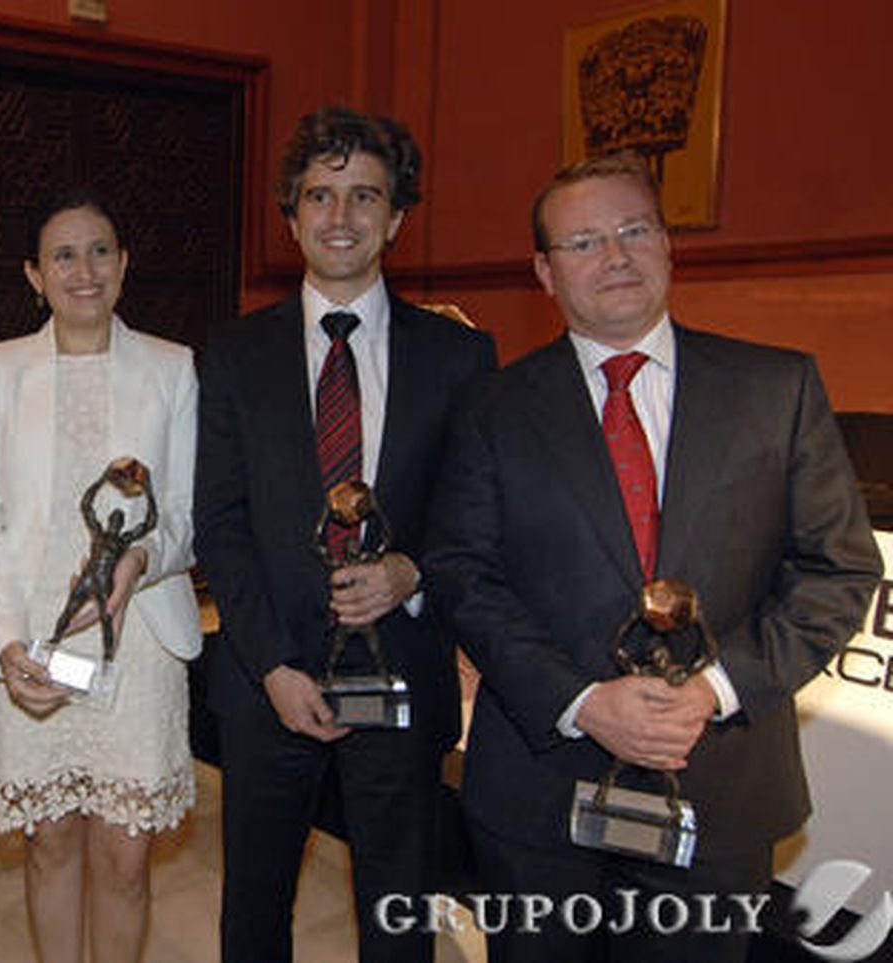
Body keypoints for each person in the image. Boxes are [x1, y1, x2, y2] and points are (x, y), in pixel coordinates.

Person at [422, 151, 881, 961]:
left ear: (669, 245)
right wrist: (582, 700)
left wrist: (713, 688)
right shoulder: (492, 406)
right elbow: (463, 573)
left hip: (720, 788)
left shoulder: (778, 388)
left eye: (634, 229)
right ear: (544, 271)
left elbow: (837, 570)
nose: (616, 255)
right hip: (540, 786)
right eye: (584, 241)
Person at [193, 106, 496, 963]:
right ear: (290, 216)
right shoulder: (232, 354)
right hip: (267, 682)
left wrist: (409, 569)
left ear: (396, 218)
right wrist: (273, 666)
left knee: (399, 915)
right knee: (254, 910)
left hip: (403, 678)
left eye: (365, 195)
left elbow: (473, 516)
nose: (340, 216)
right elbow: (219, 519)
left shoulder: (460, 356)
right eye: (320, 195)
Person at [0, 192, 202, 961]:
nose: (83, 269)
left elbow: (186, 516)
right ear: (34, 274)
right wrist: (3, 644)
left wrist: (139, 559)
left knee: (125, 857)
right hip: (28, 634)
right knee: (50, 839)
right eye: (63, 254)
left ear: (124, 265)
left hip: (139, 635)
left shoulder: (172, 367)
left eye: (100, 251)